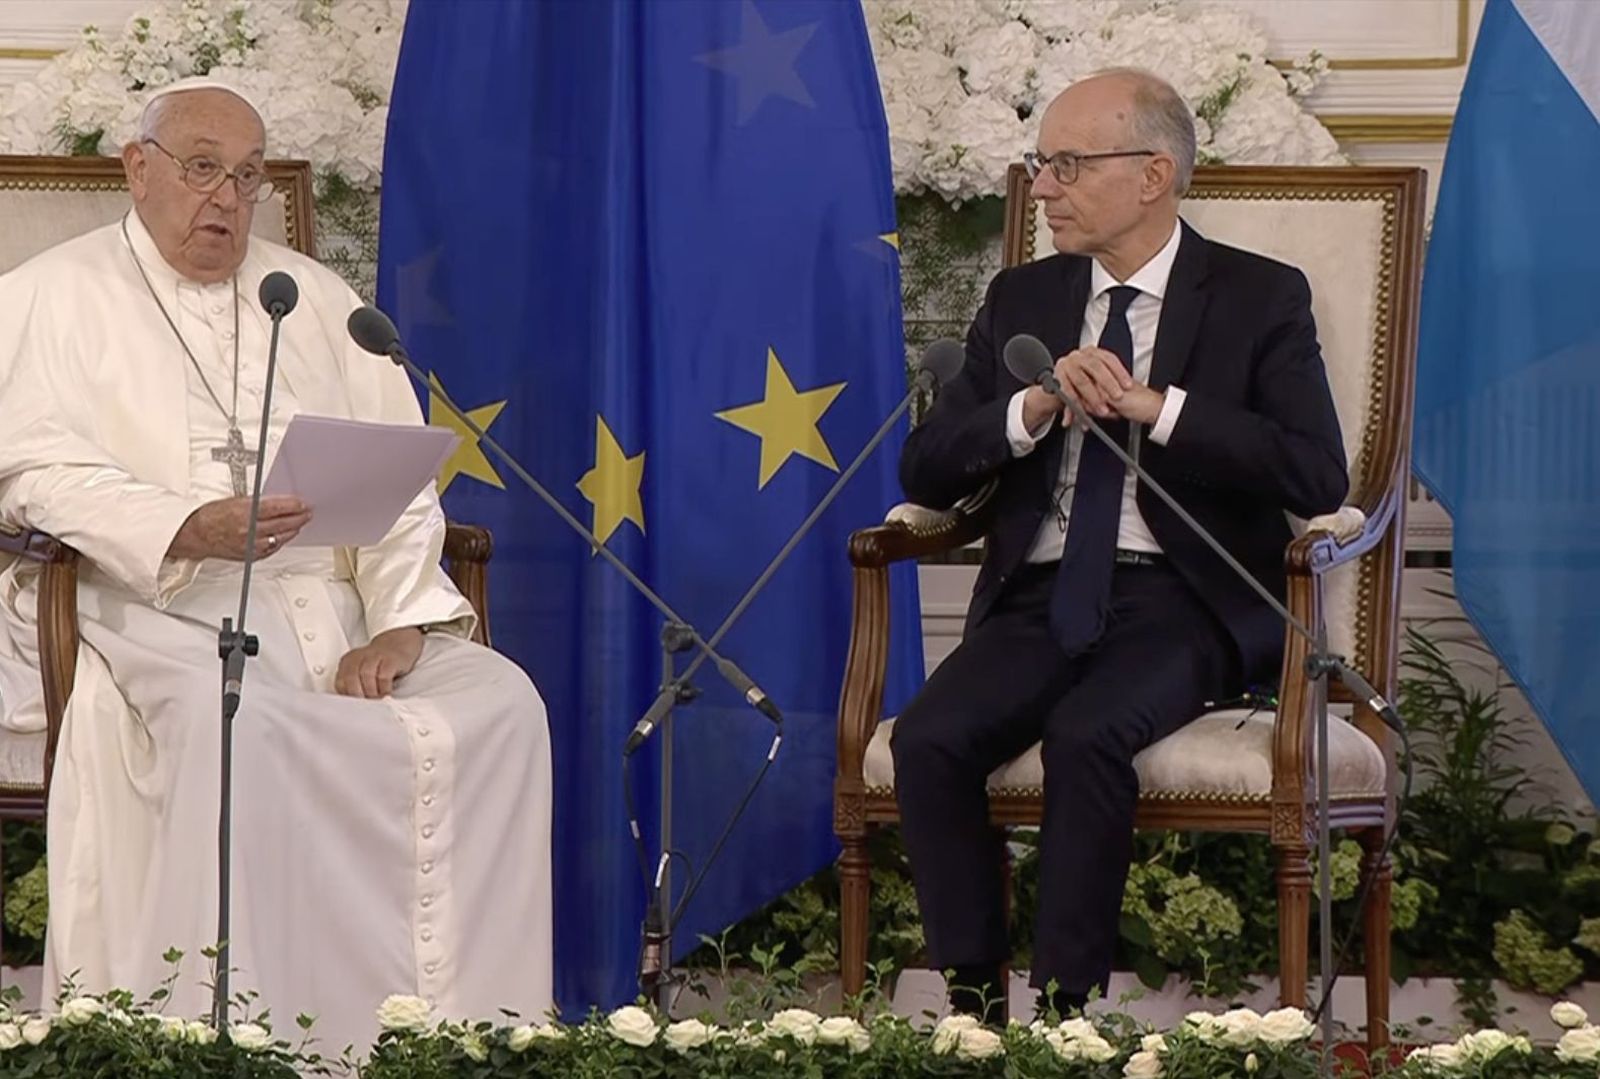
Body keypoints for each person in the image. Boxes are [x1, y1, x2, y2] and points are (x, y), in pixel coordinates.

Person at [0, 78, 552, 1053]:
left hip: (336, 607)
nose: (226, 197)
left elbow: (399, 477)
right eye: (203, 167)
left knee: (503, 707)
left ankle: (463, 1037)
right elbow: (29, 472)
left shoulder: (316, 298)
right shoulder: (45, 298)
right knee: (237, 726)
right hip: (154, 600)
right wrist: (181, 524)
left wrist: (398, 618)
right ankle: (246, 1041)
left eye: (247, 176)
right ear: (139, 169)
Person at [892, 68, 1348, 1022]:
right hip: (1040, 599)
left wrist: (1157, 407)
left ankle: (1066, 1021)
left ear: (1153, 174)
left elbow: (1316, 475)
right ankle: (975, 1014)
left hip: (1184, 600)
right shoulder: (1023, 296)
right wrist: (1034, 406)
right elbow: (928, 469)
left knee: (1087, 733)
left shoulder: (1260, 297)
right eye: (1041, 164)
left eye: (1066, 164)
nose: (1044, 187)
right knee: (930, 738)